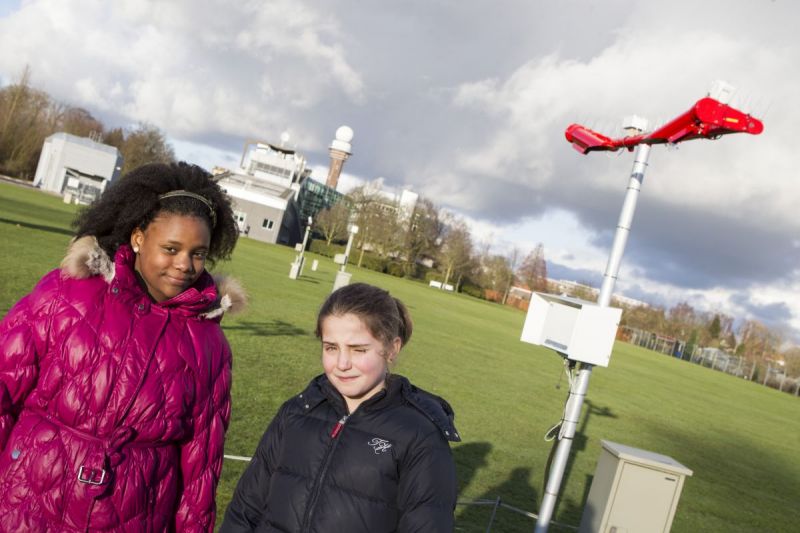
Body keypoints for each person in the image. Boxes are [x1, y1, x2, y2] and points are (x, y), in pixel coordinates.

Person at [0, 162, 246, 531]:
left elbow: (201, 467)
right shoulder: (67, 294)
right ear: (137, 238)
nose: (185, 265)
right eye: (171, 248)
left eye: (198, 253)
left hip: (133, 518)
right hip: (27, 506)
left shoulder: (209, 345)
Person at [221, 283, 459, 533]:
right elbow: (245, 508)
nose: (342, 363)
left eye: (359, 349)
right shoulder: (297, 411)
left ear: (391, 348)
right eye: (331, 347)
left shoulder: (420, 437)